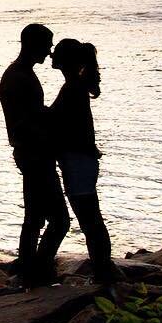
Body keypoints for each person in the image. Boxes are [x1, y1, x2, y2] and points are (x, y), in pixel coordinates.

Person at [0, 22, 69, 286]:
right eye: (47, 45)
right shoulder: (19, 77)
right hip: (34, 154)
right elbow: (27, 120)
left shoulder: (20, 74)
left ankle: (29, 267)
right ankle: (38, 269)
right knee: (59, 220)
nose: (50, 51)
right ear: (31, 44)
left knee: (34, 217)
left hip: (31, 153)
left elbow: (31, 115)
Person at [50, 38, 118, 288]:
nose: (51, 55)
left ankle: (102, 272)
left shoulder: (72, 89)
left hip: (79, 162)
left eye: (56, 52)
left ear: (65, 59)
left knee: (90, 219)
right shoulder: (73, 86)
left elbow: (55, 120)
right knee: (90, 218)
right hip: (80, 161)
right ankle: (102, 269)